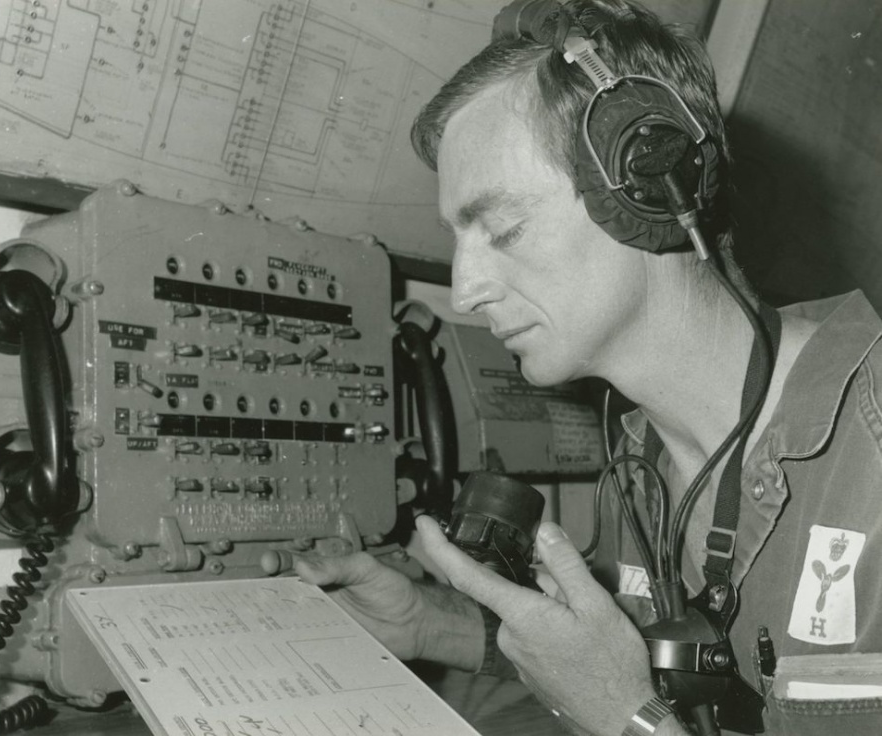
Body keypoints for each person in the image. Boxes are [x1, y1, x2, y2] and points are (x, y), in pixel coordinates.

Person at [262, 1, 882, 734]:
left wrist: (631, 721)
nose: (465, 290)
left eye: (502, 227)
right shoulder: (635, 462)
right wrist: (436, 630)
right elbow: (637, 667)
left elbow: (629, 700)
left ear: (650, 185)